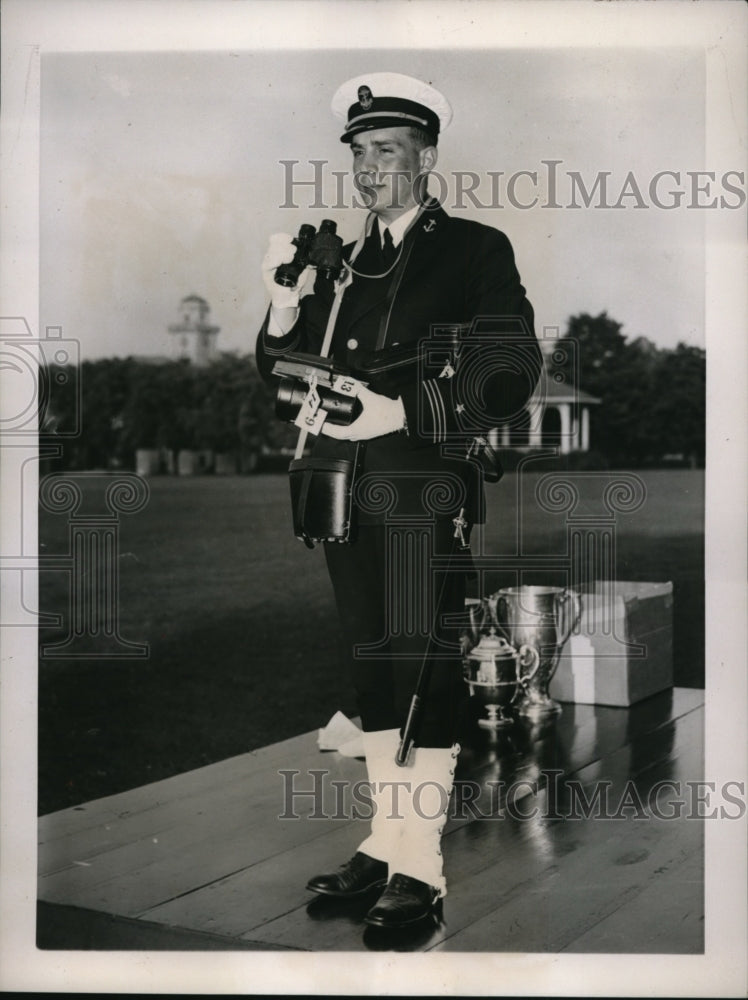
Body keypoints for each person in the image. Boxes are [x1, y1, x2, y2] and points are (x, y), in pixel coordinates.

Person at [256, 72, 542, 930]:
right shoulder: (342, 261)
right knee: (374, 669)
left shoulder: (473, 250)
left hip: (423, 489)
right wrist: (280, 306)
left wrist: (406, 409)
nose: (369, 167)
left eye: (386, 150)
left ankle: (420, 870)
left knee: (421, 671)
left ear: (427, 158)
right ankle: (386, 842)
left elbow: (510, 369)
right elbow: (276, 368)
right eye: (357, 152)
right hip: (341, 492)